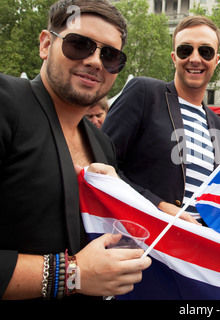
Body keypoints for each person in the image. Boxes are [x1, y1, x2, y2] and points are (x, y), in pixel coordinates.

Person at [0, 0, 152, 300]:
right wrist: (71, 273)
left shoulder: (102, 145)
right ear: (46, 45)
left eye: (110, 56)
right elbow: (82, 271)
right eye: (79, 44)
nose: (96, 61)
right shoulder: (7, 104)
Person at [102, 16, 220, 226]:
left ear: (216, 59)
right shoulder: (144, 92)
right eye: (185, 50)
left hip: (193, 252)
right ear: (174, 57)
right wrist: (158, 205)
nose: (195, 58)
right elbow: (101, 162)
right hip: (140, 243)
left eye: (205, 51)